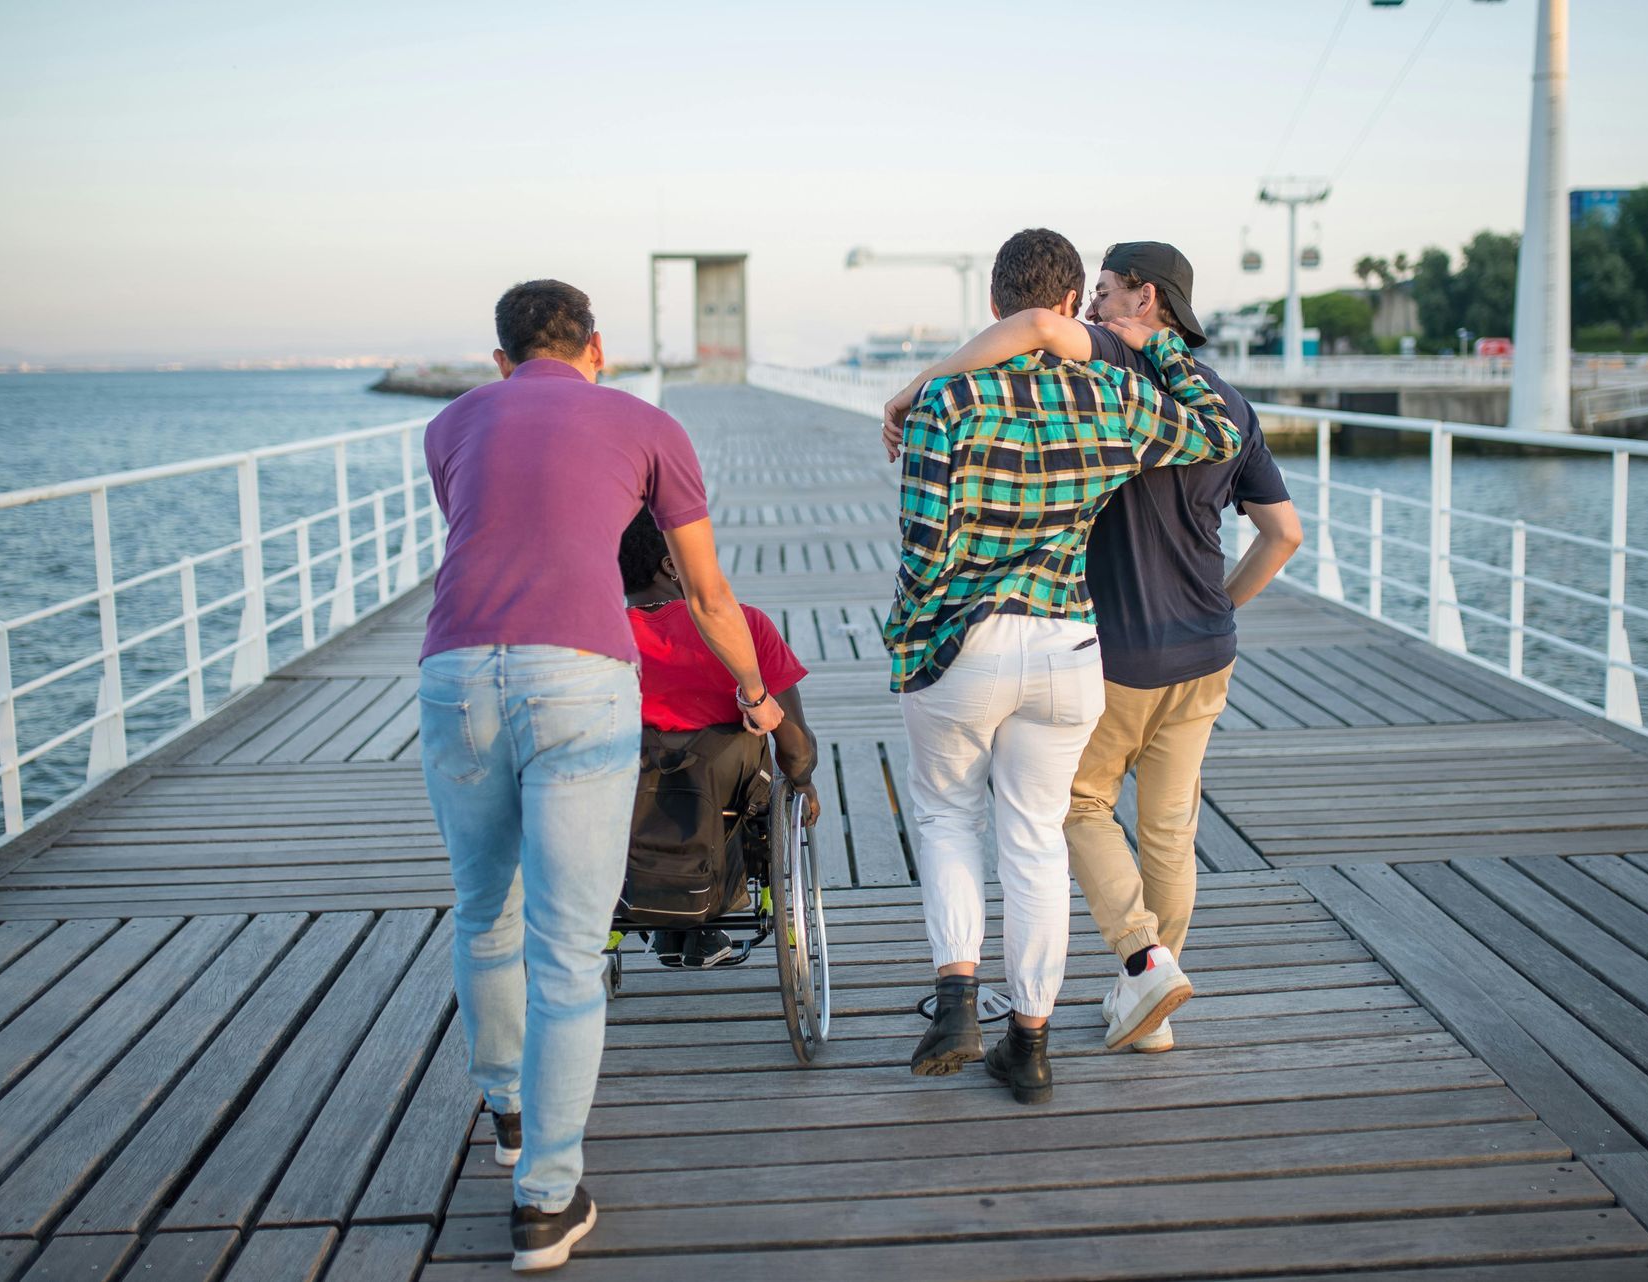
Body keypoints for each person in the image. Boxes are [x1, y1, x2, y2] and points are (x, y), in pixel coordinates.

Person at [417, 279, 782, 1272]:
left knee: (483, 907)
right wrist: (753, 689)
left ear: (500, 359)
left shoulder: (449, 425)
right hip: (580, 676)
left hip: (454, 674)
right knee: (569, 948)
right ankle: (545, 1199)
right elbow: (704, 590)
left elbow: (486, 533)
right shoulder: (647, 423)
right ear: (598, 347)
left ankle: (507, 1109)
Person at [885, 243, 1301, 1056]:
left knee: (1015, 813)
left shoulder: (1045, 376)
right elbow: (1274, 521)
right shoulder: (1162, 397)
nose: (1091, 315)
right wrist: (1220, 602)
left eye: (1107, 298)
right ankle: (1106, 1017)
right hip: (1155, 647)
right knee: (1153, 832)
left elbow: (925, 541)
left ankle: (1062, 980)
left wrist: (919, 382)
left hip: (1066, 646)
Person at [617, 510, 820, 969]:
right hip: (723, 798)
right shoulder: (743, 626)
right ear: (674, 564)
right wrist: (803, 782)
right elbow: (793, 749)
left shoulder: (595, 639)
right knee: (741, 780)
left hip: (626, 800)